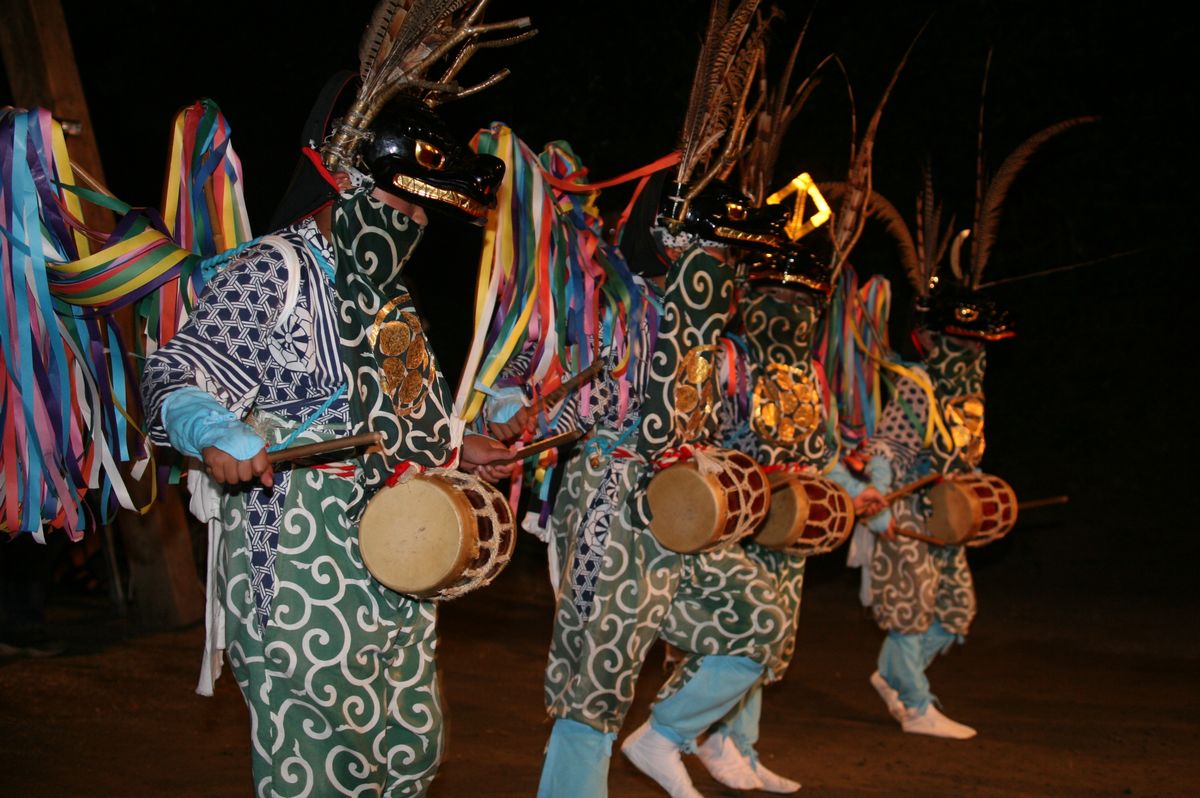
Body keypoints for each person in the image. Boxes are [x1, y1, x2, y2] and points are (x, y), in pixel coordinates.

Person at [140, 80, 517, 796]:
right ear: (346, 185)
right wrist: (214, 429)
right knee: (322, 759)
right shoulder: (273, 270)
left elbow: (401, 406)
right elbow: (175, 372)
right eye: (400, 203)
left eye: (420, 211)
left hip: (397, 553)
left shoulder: (391, 292)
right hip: (301, 557)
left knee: (409, 746)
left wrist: (461, 443)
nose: (411, 221)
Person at [855, 286, 1014, 740]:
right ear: (938, 341)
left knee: (955, 610)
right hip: (907, 514)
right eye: (965, 343)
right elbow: (888, 445)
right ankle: (916, 704)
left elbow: (966, 456)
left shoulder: (971, 396)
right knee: (911, 612)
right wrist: (878, 495)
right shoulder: (917, 386)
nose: (974, 353)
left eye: (981, 345)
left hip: (947, 520)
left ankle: (892, 676)